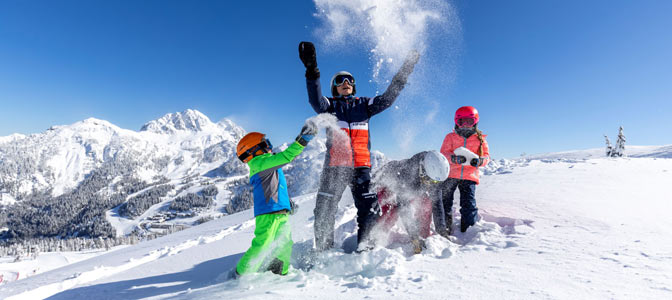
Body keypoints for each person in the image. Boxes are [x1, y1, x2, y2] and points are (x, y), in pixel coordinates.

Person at [298, 41, 420, 251]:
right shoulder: (330, 106)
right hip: (335, 167)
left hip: (361, 167)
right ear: (334, 87)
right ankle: (324, 251)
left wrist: (405, 71)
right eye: (340, 80)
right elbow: (315, 99)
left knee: (369, 208)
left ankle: (366, 247)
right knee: (325, 209)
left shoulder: (364, 105)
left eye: (350, 80)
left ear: (353, 86)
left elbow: (388, 98)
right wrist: (312, 70)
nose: (346, 82)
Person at [234, 121, 317, 276]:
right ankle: (241, 274)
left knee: (285, 244)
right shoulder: (259, 163)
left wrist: (286, 204)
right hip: (268, 213)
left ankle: (278, 271)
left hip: (279, 212)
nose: (269, 146)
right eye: (265, 143)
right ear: (255, 150)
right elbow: (286, 156)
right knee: (263, 244)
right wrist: (302, 141)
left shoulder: (267, 163)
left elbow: (276, 186)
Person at [372, 151, 449, 254]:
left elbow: (437, 204)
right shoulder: (407, 173)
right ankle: (374, 239)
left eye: (435, 182)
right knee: (390, 211)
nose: (433, 185)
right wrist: (414, 237)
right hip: (386, 185)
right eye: (431, 181)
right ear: (423, 170)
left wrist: (442, 230)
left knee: (426, 205)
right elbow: (404, 206)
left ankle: (423, 236)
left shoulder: (434, 178)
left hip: (414, 186)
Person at [433, 106, 490, 236]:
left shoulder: (480, 139)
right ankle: (444, 229)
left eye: (469, 122)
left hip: (469, 175)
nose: (465, 125)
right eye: (461, 122)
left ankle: (468, 230)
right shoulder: (450, 137)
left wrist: (479, 161)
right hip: (450, 174)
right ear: (456, 122)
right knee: (445, 202)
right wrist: (454, 159)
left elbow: (486, 156)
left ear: (475, 122)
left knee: (468, 203)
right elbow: (443, 155)